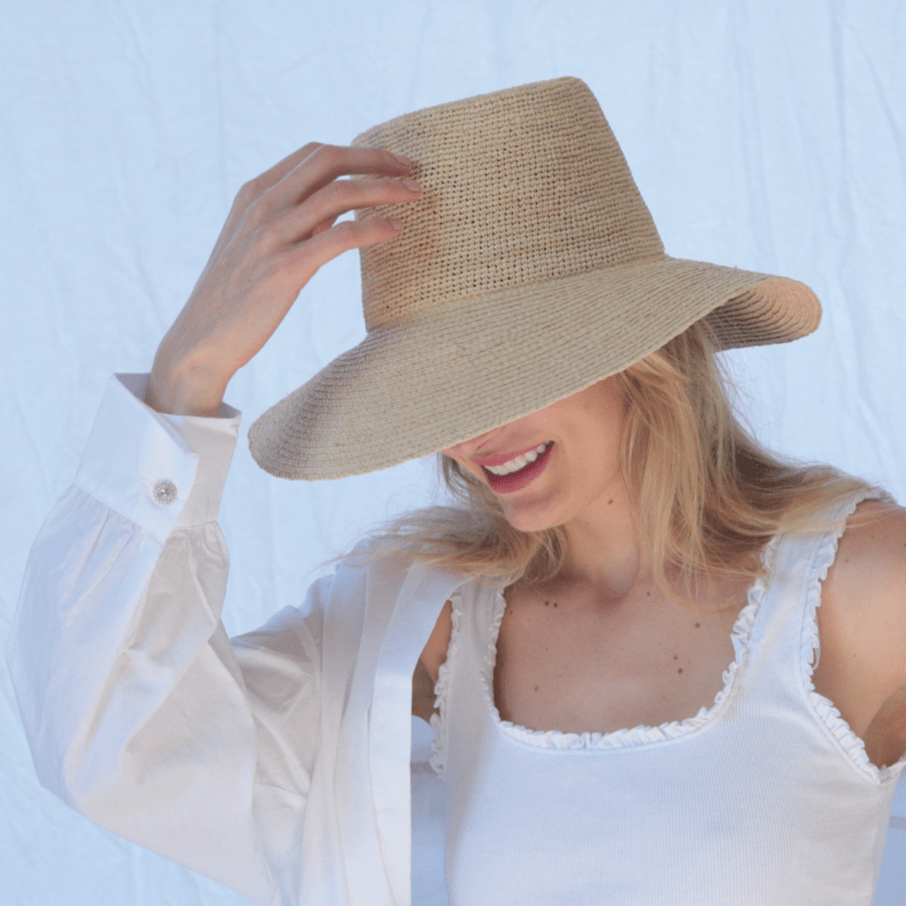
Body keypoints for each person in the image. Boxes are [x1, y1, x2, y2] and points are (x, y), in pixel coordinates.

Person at [8, 77, 906, 906]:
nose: (474, 434)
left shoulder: (857, 590)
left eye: (507, 372)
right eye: (433, 394)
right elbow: (120, 749)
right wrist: (186, 378)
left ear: (641, 351)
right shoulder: (421, 624)